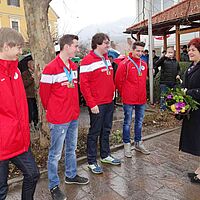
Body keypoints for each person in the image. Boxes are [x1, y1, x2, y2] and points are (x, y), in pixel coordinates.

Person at [39, 34, 89, 200]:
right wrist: (53, 110)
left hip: (73, 115)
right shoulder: (51, 68)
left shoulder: (74, 67)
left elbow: (73, 90)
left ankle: (71, 175)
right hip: (59, 118)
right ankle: (53, 185)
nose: (77, 49)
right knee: (55, 154)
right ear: (66, 47)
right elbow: (44, 96)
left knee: (71, 149)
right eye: (75, 46)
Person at [0, 27, 40, 200]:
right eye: (18, 47)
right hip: (2, 143)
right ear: (6, 47)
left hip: (18, 141)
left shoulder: (15, 72)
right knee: (1, 189)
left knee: (33, 174)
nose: (21, 51)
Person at [80, 33, 121, 174]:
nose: (108, 46)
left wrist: (113, 92)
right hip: (97, 104)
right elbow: (84, 85)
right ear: (97, 44)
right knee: (94, 132)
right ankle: (91, 161)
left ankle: (105, 155)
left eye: (108, 43)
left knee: (106, 130)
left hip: (109, 101)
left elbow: (107, 79)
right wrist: (92, 104)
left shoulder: (105, 58)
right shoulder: (87, 61)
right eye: (106, 43)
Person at [115, 41, 150, 158]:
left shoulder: (144, 64)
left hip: (141, 98)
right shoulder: (125, 64)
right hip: (129, 98)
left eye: (141, 51)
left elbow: (144, 80)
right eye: (137, 51)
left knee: (139, 122)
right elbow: (118, 81)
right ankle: (127, 145)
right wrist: (124, 92)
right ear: (132, 50)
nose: (140, 53)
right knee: (127, 122)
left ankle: (138, 143)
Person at [178, 38, 200, 184]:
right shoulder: (191, 67)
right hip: (193, 112)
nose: (190, 52)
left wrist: (188, 92)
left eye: (194, 50)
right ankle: (199, 171)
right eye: (189, 49)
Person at [155, 47, 180, 111]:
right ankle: (162, 109)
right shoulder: (164, 60)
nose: (170, 54)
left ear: (174, 53)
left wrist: (178, 74)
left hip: (173, 82)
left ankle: (171, 108)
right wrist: (164, 57)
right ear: (166, 53)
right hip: (164, 82)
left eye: (171, 52)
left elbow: (178, 69)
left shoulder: (176, 61)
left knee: (172, 96)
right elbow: (156, 64)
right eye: (169, 52)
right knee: (163, 96)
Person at [19, 54, 39, 131]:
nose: (33, 66)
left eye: (34, 64)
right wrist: (31, 78)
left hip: (36, 95)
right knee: (31, 111)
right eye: (32, 64)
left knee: (36, 110)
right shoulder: (24, 74)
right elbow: (23, 84)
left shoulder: (37, 72)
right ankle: (30, 124)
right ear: (28, 65)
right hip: (29, 96)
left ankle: (36, 123)